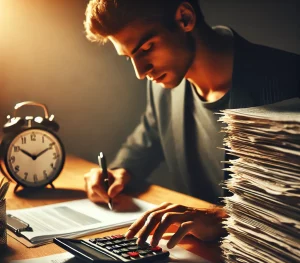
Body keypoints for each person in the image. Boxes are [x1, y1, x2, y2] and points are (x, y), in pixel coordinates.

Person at [83, 0, 300, 248]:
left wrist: (222, 218)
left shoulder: (289, 82)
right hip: (198, 255)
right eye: (129, 57)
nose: (140, 72)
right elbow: (148, 138)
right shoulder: (163, 88)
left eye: (146, 48)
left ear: (185, 18)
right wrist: (119, 171)